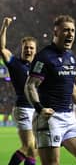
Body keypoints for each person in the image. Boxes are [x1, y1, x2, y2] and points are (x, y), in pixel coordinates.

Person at [24, 14, 76, 165]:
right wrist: (40, 108)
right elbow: (30, 85)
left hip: (69, 118)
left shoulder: (70, 57)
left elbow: (70, 85)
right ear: (56, 33)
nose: (70, 34)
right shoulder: (44, 57)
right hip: (49, 119)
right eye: (65, 30)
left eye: (72, 31)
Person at [0, 17, 37, 165]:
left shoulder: (39, 67)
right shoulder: (15, 63)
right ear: (22, 49)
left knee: (34, 149)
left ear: (35, 50)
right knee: (27, 145)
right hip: (23, 108)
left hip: (36, 110)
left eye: (31, 47)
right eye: (26, 47)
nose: (28, 50)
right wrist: (4, 26)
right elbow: (2, 48)